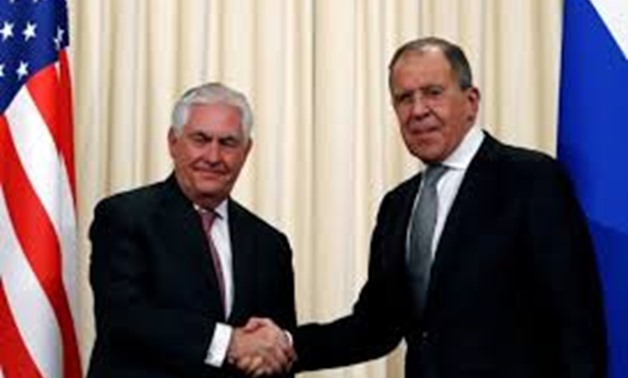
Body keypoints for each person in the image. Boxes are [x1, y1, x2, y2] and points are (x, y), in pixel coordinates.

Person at [240, 37, 607, 377]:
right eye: (404, 98)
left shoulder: (531, 179)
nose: (418, 110)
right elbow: (376, 326)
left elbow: (577, 323)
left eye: (433, 93)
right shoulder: (398, 206)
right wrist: (286, 345)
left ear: (471, 101)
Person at [87, 82, 296, 378]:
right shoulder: (124, 217)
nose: (213, 156)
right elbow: (124, 317)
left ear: (246, 151)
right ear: (173, 142)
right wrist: (229, 343)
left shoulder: (269, 244)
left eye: (228, 143)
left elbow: (275, 355)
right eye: (200, 139)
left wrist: (272, 352)